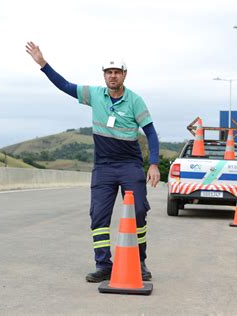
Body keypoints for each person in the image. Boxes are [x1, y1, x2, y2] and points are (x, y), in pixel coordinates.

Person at [25, 41, 160, 283]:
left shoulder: (135, 100)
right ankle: (103, 264)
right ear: (104, 76)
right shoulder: (94, 95)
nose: (113, 76)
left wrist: (153, 164)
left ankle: (139, 261)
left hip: (130, 165)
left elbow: (150, 132)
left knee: (139, 211)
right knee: (98, 216)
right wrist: (43, 64)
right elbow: (65, 85)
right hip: (104, 168)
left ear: (124, 75)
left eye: (117, 72)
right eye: (109, 72)